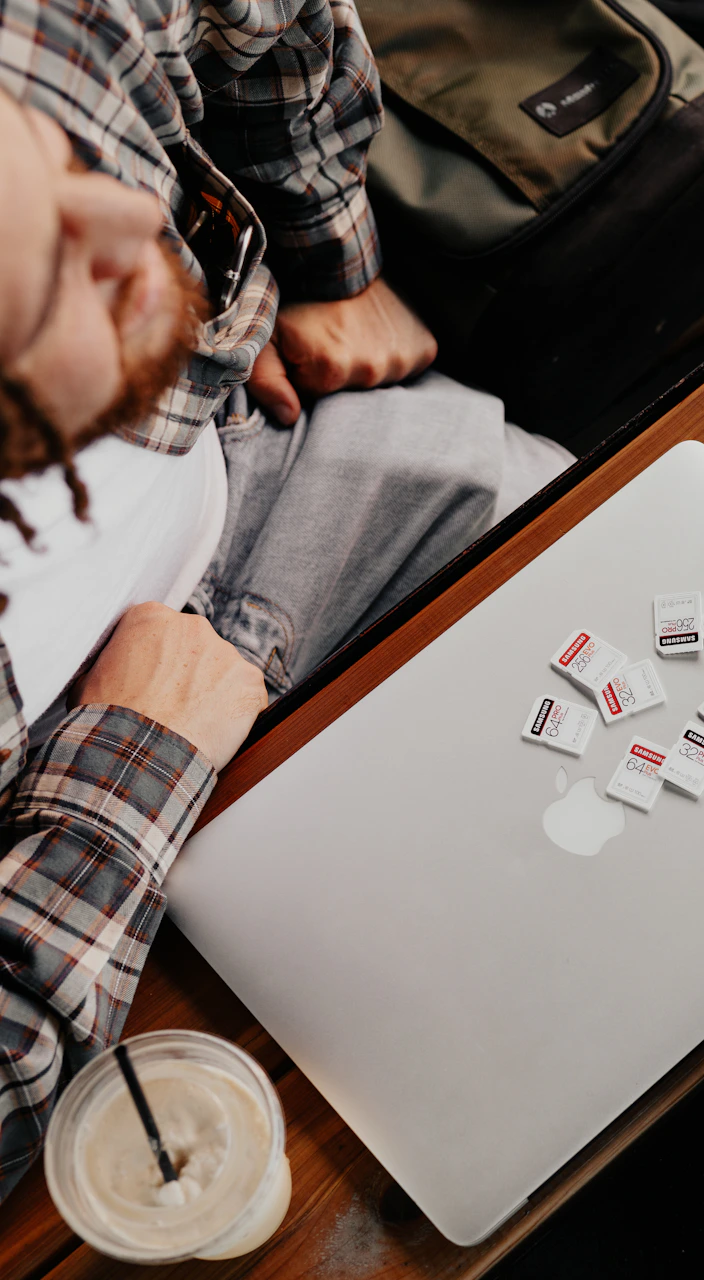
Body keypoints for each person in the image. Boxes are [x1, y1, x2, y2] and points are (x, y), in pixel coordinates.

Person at [0, 0, 572, 1199]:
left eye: (54, 165)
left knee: (623, 553)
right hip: (86, 822)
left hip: (271, 446)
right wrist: (131, 766)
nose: (137, 218)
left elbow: (259, 22)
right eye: (47, 289)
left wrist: (326, 259)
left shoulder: (43, 34)